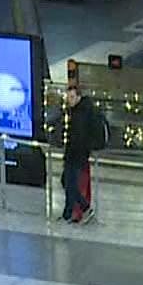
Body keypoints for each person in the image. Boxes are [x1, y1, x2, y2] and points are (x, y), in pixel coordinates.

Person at [60, 87, 106, 223]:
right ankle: (67, 214)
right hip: (77, 154)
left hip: (76, 154)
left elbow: (77, 137)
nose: (69, 100)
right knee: (68, 182)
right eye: (68, 97)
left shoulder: (80, 113)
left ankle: (85, 208)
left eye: (72, 97)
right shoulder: (80, 111)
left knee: (70, 184)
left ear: (78, 97)